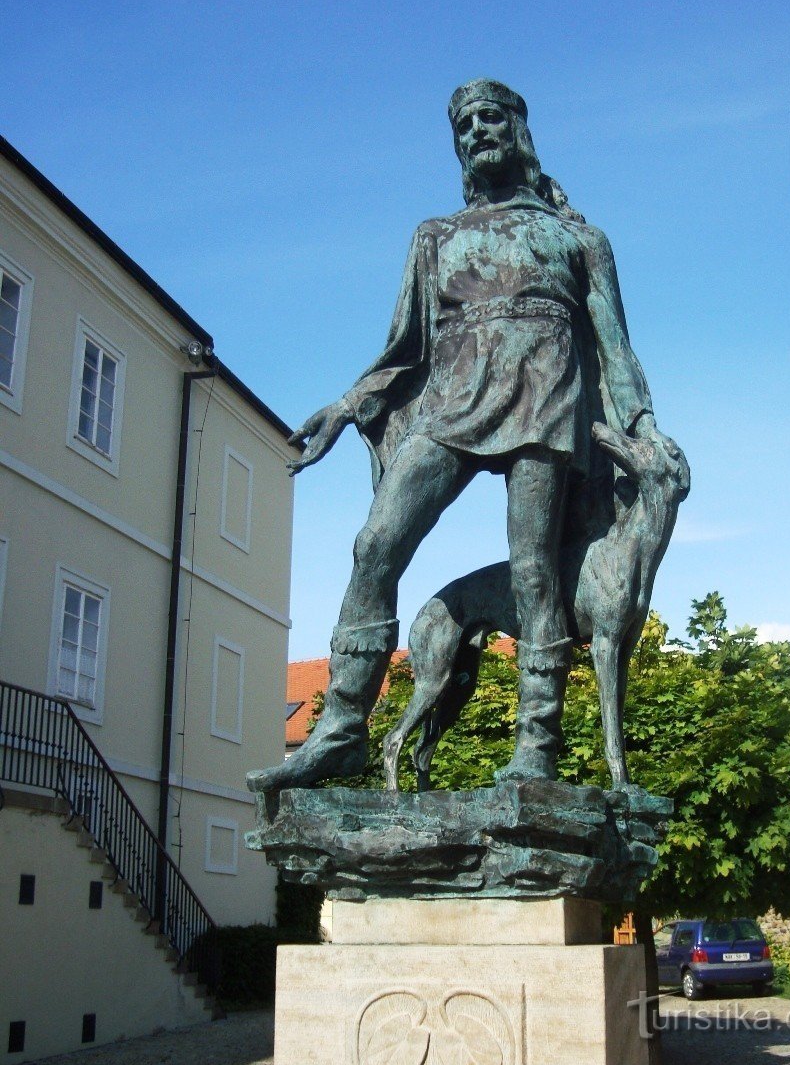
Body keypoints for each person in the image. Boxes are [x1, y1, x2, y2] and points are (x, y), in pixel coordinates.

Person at [248, 78, 658, 794]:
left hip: (545, 393)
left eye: (490, 118)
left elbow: (614, 347)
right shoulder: (434, 236)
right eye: (464, 125)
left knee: (531, 570)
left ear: (519, 130)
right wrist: (349, 404)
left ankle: (536, 747)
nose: (477, 132)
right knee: (376, 544)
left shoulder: (578, 237)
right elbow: (406, 345)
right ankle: (343, 728)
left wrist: (641, 424)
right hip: (451, 398)